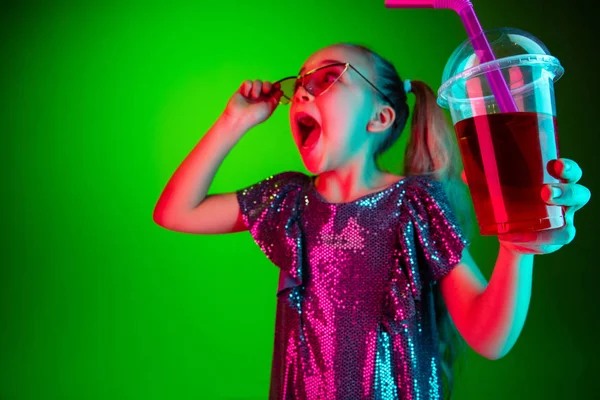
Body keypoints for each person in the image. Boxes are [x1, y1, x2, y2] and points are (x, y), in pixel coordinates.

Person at [153, 42, 591, 400]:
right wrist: (235, 120)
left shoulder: (415, 203)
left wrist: (518, 249)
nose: (303, 92)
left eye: (328, 78)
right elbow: (175, 212)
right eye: (300, 84)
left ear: (380, 117)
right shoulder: (285, 201)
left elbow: (489, 336)